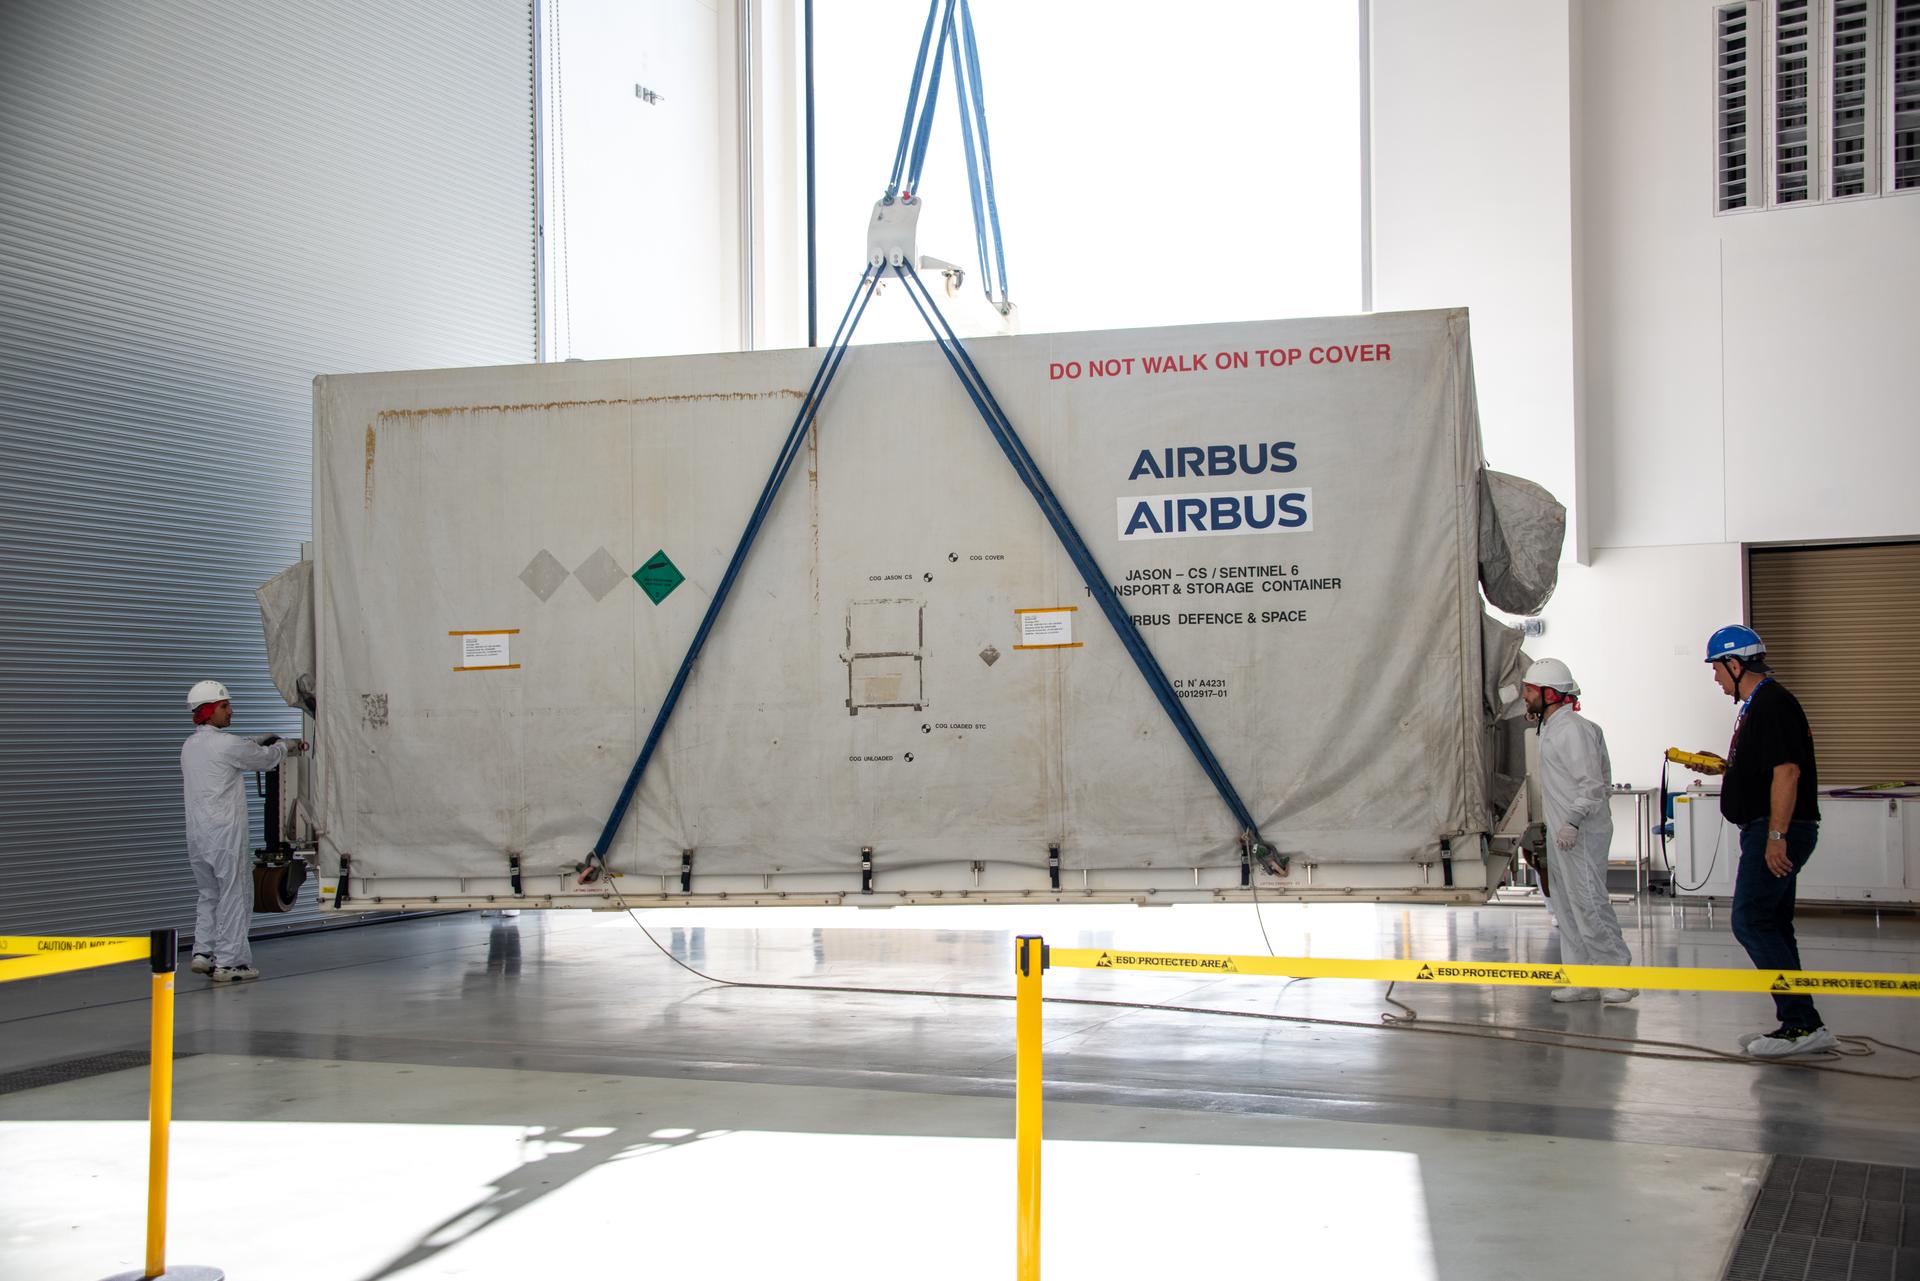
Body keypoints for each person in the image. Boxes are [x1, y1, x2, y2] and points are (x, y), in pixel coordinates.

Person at [1700, 626, 1835, 1058]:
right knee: (1774, 924)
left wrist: (1776, 836)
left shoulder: (1773, 705)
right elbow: (1768, 768)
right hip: (1771, 828)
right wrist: (1731, 772)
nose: (1716, 679)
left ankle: (1802, 1023)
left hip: (1776, 830)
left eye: (1718, 670)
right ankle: (1800, 1023)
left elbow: (1787, 773)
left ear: (1735, 664)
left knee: (1750, 921)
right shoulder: (1761, 707)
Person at [1523, 658, 1636, 1004]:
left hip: (1581, 833)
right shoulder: (1551, 729)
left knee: (1589, 904)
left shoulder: (1573, 730)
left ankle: (1618, 978)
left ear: (1549, 693)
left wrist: (1572, 820)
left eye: (1529, 690)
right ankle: (1583, 978)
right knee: (1568, 907)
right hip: (1563, 836)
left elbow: (1592, 784)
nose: (1525, 696)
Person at [182, 680, 306, 983]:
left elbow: (237, 749)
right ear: (210, 711)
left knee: (209, 894)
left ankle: (203, 952)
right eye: (225, 706)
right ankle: (230, 963)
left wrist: (259, 739)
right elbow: (263, 759)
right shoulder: (226, 745)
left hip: (198, 835)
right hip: (225, 834)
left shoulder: (190, 746)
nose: (231, 711)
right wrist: (285, 746)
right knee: (236, 893)